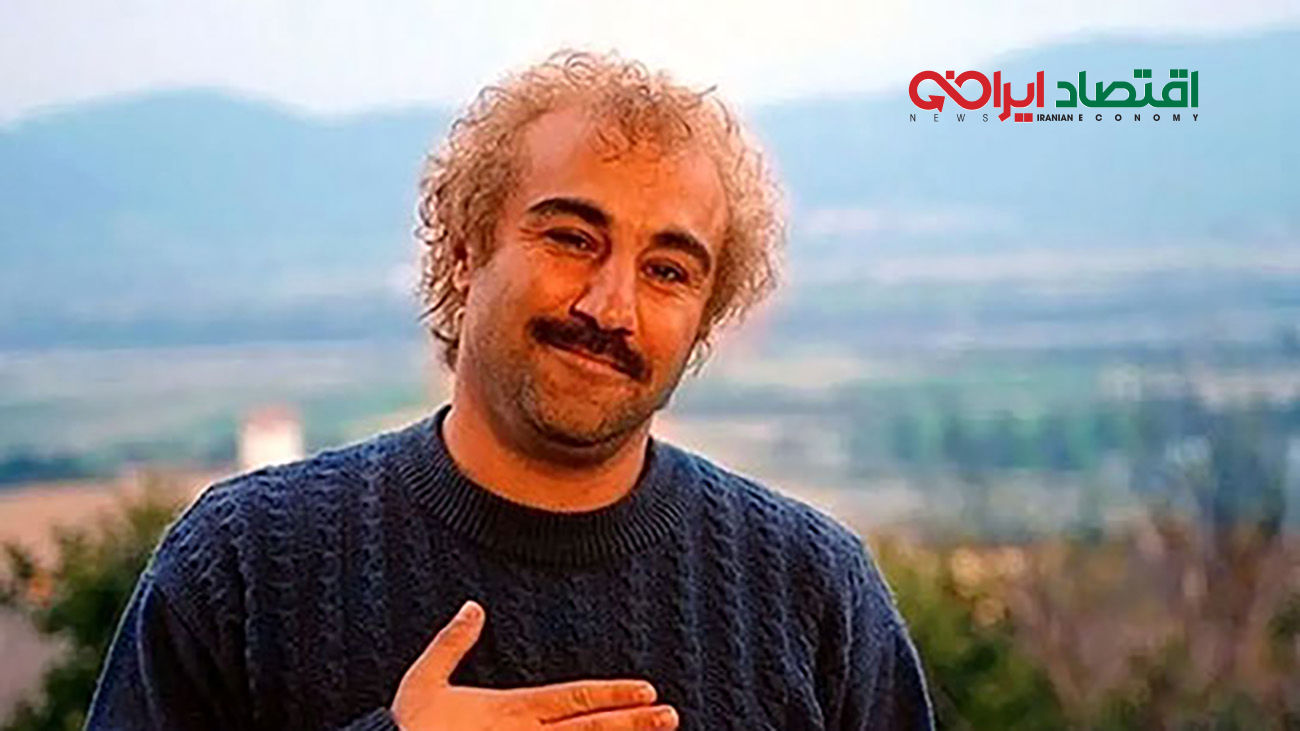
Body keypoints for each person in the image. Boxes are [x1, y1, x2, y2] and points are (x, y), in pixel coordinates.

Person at [86, 50, 933, 730]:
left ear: (705, 321)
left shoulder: (814, 590)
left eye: (669, 271)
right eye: (571, 237)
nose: (611, 307)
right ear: (464, 252)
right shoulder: (243, 563)